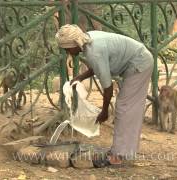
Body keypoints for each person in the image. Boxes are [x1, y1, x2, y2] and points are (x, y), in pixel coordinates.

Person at [55, 24, 154, 167]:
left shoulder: (94, 52)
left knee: (125, 108)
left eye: (67, 48)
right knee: (127, 108)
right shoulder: (88, 40)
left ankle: (117, 156)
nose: (67, 52)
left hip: (140, 64)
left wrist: (104, 111)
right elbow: (100, 66)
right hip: (137, 61)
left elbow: (107, 87)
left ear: (75, 43)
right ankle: (121, 151)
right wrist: (80, 77)